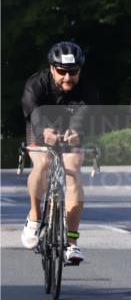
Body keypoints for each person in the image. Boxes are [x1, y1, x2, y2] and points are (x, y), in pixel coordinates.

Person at [20, 41, 99, 263]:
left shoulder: (87, 88)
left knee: (72, 171)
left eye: (73, 72)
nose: (67, 77)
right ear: (52, 68)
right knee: (43, 164)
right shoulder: (36, 84)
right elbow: (33, 113)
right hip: (40, 127)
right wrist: (44, 131)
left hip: (71, 130)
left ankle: (71, 243)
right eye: (62, 71)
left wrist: (77, 131)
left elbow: (87, 116)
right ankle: (35, 216)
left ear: (79, 70)